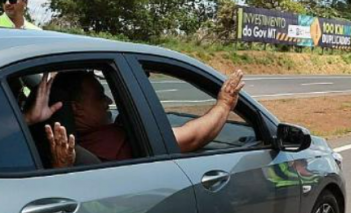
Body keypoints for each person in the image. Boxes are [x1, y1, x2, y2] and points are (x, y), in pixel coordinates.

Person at [22, 70, 246, 165]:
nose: (108, 101)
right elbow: (192, 138)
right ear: (76, 109)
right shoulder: (107, 142)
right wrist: (224, 104)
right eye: (100, 96)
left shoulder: (32, 141)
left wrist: (26, 120)